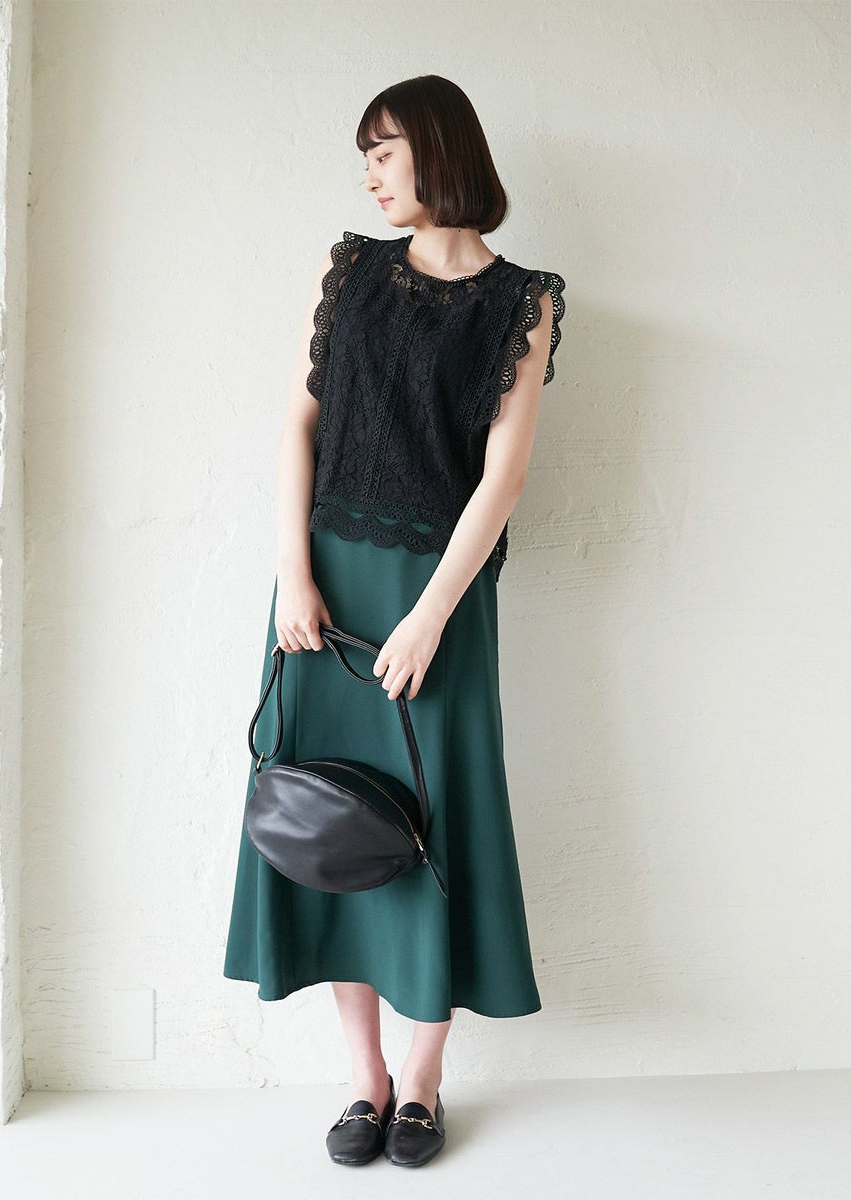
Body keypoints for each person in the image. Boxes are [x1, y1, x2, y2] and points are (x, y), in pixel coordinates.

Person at [222, 74, 566, 1168]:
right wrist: (293, 574)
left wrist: (429, 620)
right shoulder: (352, 272)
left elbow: (503, 479)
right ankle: (363, 1077)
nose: (370, 175)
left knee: (433, 823)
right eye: (365, 157)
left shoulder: (524, 301)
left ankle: (422, 1079)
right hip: (322, 594)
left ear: (436, 148)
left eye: (384, 151)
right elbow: (300, 423)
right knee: (330, 821)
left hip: (439, 601)